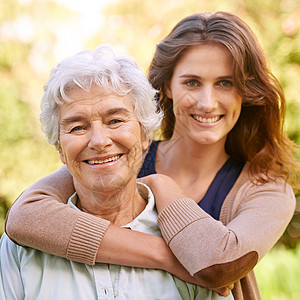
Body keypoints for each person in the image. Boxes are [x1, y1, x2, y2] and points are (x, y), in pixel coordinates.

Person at [5, 11, 299, 300]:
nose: (207, 102)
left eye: (225, 82)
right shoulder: (121, 154)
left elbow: (220, 265)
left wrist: (161, 186)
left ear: (245, 91)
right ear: (168, 86)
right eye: (192, 82)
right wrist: (167, 258)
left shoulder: (267, 189)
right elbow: (24, 217)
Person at [0, 45, 232, 300]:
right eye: (77, 127)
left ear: (145, 136)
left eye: (115, 121)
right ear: (60, 150)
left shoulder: (188, 245)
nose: (99, 141)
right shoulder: (21, 249)